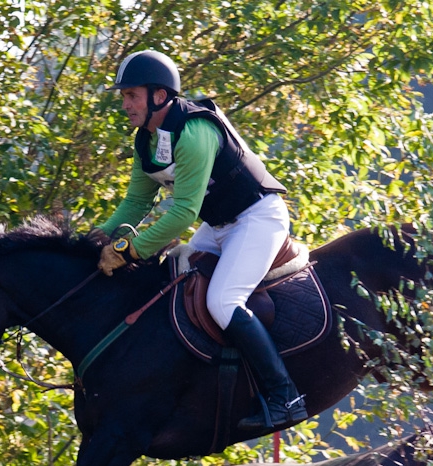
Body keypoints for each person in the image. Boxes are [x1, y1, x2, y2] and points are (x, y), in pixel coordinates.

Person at [96, 49, 308, 431]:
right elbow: (136, 203)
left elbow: (182, 215)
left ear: (159, 96)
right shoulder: (144, 141)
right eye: (124, 96)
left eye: (132, 95)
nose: (125, 104)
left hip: (257, 218)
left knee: (222, 301)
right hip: (221, 224)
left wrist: (129, 250)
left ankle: (285, 397)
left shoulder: (194, 133)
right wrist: (97, 240)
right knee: (172, 278)